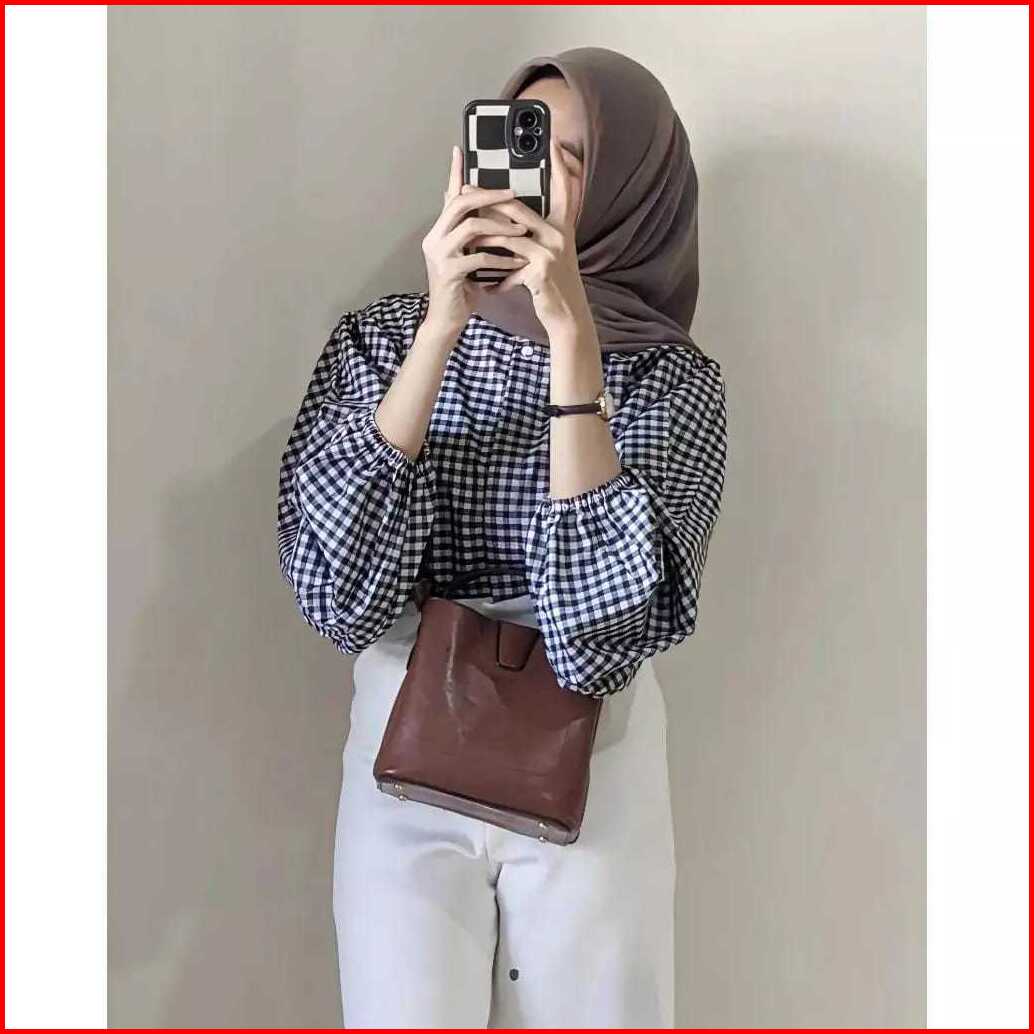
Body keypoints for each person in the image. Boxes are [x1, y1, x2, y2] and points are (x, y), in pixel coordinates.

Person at [276, 45, 727, 1029]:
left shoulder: (669, 379)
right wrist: (441, 323)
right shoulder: (381, 340)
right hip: (403, 746)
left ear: (631, 186)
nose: (537, 179)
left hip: (591, 757)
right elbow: (336, 594)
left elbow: (599, 641)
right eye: (520, 143)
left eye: (573, 157)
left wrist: (573, 343)